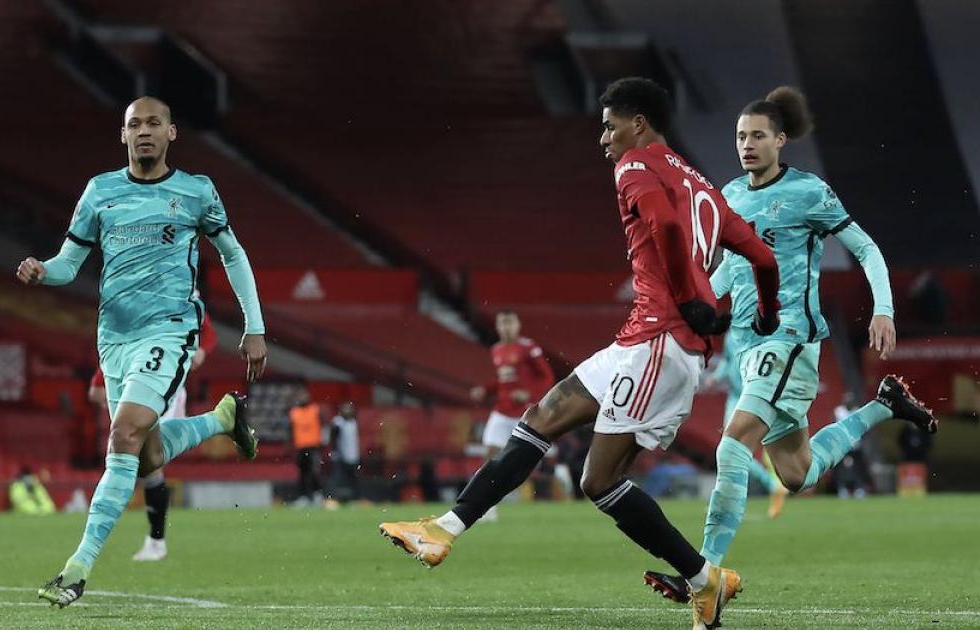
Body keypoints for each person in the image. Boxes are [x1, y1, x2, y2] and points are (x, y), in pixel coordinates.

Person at [379, 77, 782, 630]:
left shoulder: (635, 165)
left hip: (658, 342)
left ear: (638, 124)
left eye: (610, 127)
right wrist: (766, 314)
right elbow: (763, 257)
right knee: (541, 417)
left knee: (599, 482)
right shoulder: (706, 189)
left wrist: (690, 299)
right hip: (641, 340)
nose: (604, 139)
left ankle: (704, 580)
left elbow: (665, 223)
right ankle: (444, 529)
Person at [640, 87, 937, 625]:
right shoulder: (729, 195)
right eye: (740, 136)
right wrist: (689, 308)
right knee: (798, 473)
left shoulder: (807, 192)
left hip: (790, 339)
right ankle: (883, 406)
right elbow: (729, 272)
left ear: (780, 140)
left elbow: (866, 248)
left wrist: (883, 309)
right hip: (748, 345)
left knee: (733, 445)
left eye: (757, 135)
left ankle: (703, 576)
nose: (746, 144)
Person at [18, 96, 268, 608]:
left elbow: (233, 254)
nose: (145, 131)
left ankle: (77, 568)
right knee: (146, 453)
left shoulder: (196, 192)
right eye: (135, 124)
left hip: (170, 330)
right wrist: (44, 271)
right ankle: (222, 419)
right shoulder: (100, 191)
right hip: (113, 339)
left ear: (172, 132)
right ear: (124, 135)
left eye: (154, 123)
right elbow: (69, 263)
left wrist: (255, 326)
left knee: (124, 432)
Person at [87, 313, 217, 561]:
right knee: (147, 467)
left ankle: (155, 542)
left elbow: (207, 329)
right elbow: (96, 390)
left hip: (163, 389)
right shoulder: (133, 318)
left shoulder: (175, 296)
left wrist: (202, 349)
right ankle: (154, 541)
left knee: (149, 465)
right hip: (141, 382)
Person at [467, 310, 554, 521]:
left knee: (525, 459)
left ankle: (547, 494)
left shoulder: (528, 348)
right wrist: (485, 390)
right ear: (497, 327)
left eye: (510, 323)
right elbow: (503, 382)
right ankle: (485, 507)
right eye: (502, 323)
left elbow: (547, 377)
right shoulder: (496, 350)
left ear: (517, 325)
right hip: (501, 411)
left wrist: (529, 394)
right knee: (489, 454)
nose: (506, 328)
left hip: (523, 413)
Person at [705, 332, 787, 518]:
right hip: (734, 397)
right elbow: (727, 360)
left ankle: (768, 486)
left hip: (753, 396)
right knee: (729, 449)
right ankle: (732, 498)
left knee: (733, 451)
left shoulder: (760, 332)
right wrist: (716, 377)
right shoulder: (730, 336)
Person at [288, 387, 324, 505]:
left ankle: (317, 495)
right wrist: (290, 446)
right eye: (300, 396)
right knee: (302, 473)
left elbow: (323, 425)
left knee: (314, 471)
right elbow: (290, 430)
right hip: (300, 447)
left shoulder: (315, 409)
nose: (302, 398)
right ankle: (303, 497)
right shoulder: (294, 412)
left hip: (313, 446)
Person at [329, 401, 361, 503]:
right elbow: (333, 438)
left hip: (353, 456)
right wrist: (336, 452)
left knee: (352, 479)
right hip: (341, 456)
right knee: (339, 479)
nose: (348, 411)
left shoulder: (353, 422)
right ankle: (337, 498)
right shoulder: (338, 422)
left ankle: (353, 498)